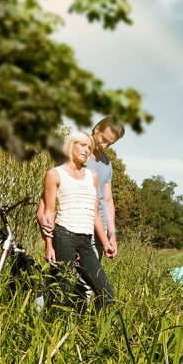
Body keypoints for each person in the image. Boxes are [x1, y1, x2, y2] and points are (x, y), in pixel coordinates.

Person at [42, 130, 114, 308]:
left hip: (86, 240)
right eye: (82, 145)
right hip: (63, 236)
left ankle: (96, 326)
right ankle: (51, 322)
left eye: (89, 147)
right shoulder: (54, 174)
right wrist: (49, 246)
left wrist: (106, 243)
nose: (87, 150)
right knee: (61, 292)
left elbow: (95, 213)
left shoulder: (92, 176)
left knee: (106, 293)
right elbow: (48, 214)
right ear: (71, 145)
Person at [37, 117, 125, 258]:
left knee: (91, 272)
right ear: (97, 129)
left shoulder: (107, 164)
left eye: (110, 143)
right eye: (103, 139)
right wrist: (41, 213)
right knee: (64, 270)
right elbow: (52, 185)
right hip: (72, 227)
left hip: (98, 232)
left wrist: (111, 234)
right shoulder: (75, 153)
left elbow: (107, 200)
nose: (104, 146)